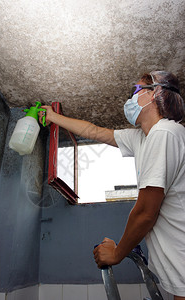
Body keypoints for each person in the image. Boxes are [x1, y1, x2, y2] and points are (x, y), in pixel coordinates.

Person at [39, 71, 185, 299]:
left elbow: (146, 212)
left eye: (135, 91)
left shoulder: (165, 133)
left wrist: (117, 253)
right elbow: (94, 132)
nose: (130, 100)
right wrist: (52, 117)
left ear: (153, 93)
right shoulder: (143, 138)